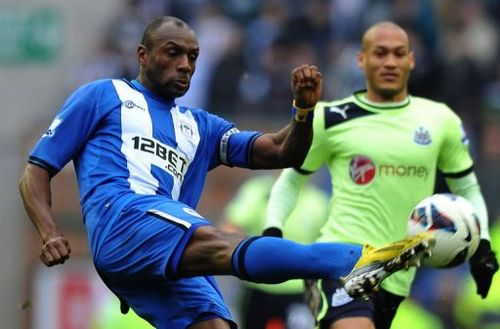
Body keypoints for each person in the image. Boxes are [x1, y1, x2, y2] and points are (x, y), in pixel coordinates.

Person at [18, 16, 432, 329]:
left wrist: (304, 112)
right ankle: (354, 259)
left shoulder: (199, 125)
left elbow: (279, 151)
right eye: (172, 53)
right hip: (123, 220)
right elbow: (35, 170)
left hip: (159, 255)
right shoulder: (104, 95)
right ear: (143, 55)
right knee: (221, 242)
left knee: (214, 324)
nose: (185, 65)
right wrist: (50, 231)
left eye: (193, 57)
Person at [264, 21, 499, 329]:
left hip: (397, 276)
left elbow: (466, 186)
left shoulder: (440, 120)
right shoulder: (330, 117)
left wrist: (481, 245)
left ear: (411, 60)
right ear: (362, 60)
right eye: (380, 53)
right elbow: (291, 180)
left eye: (399, 53)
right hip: (340, 261)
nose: (389, 61)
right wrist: (272, 232)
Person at [221, 174, 329, 329]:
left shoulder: (317, 201)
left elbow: (326, 245)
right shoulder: (257, 191)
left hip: (298, 291)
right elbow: (231, 227)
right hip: (256, 289)